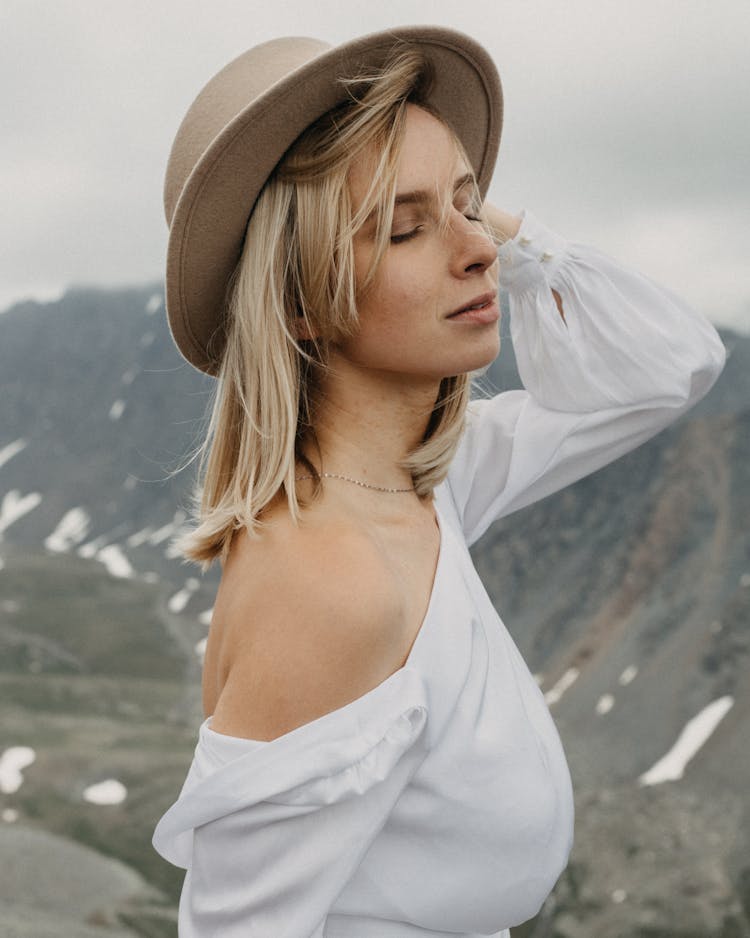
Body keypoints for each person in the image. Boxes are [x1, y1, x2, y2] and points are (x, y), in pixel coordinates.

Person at [151, 26, 726, 938]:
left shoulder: (427, 487)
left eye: (473, 207)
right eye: (403, 227)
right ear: (298, 301)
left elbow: (674, 367)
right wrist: (456, 202)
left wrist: (496, 231)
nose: (478, 252)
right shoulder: (331, 584)